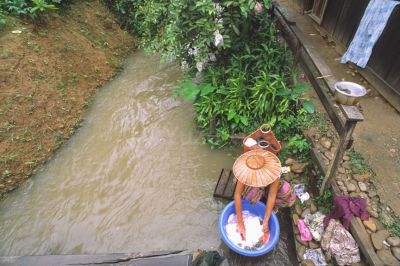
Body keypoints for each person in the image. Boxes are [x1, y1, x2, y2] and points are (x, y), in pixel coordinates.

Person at [232, 149, 296, 243]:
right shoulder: (245, 171)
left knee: (285, 191)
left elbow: (271, 196)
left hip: (268, 185)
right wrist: (240, 223)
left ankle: (267, 202)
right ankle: (257, 194)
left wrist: (265, 221)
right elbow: (237, 195)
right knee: (251, 195)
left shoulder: (273, 171)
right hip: (251, 183)